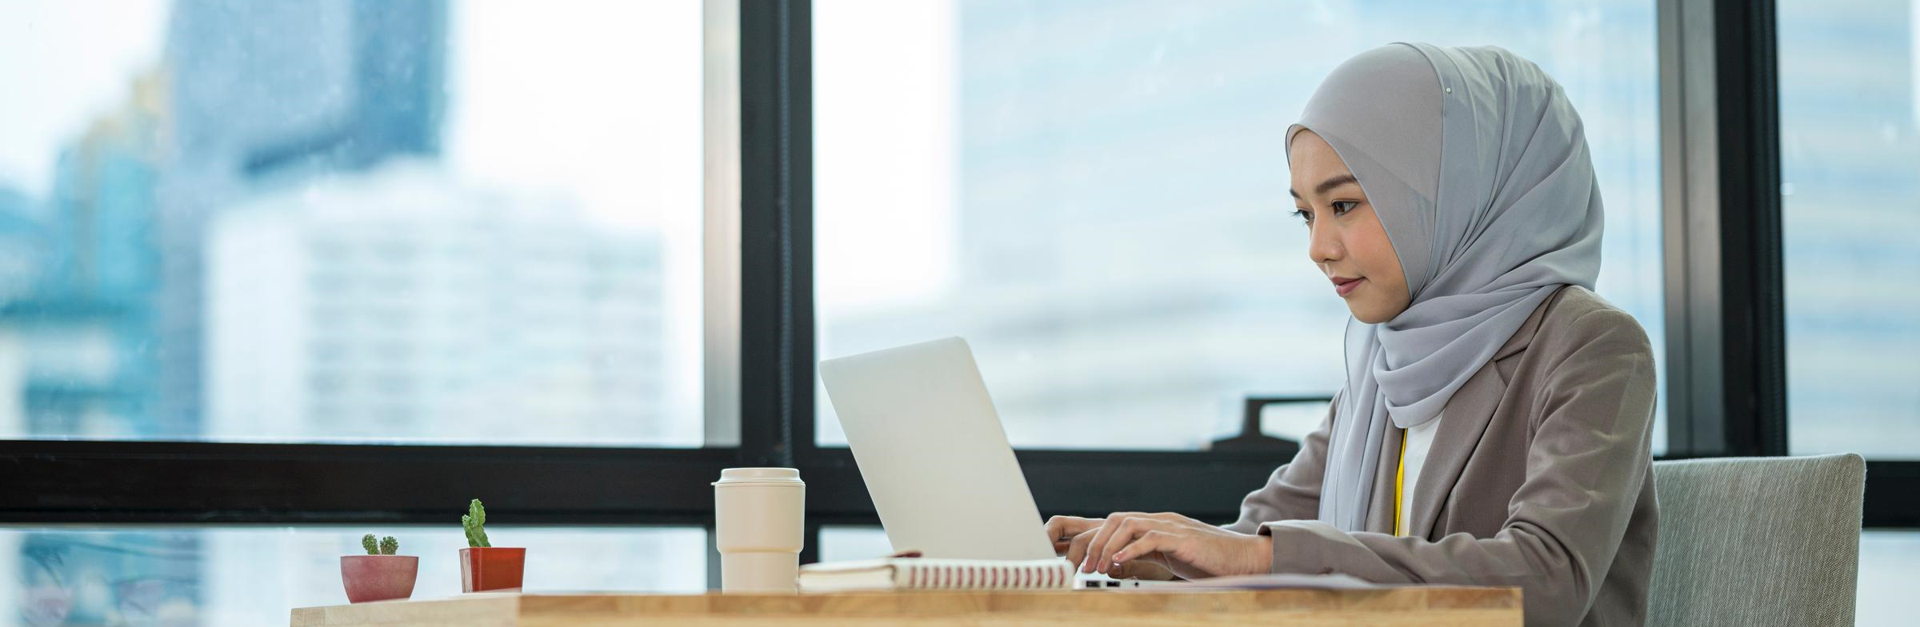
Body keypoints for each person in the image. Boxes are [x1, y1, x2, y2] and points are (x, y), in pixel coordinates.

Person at [1044, 43, 1658, 627]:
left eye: (1344, 205)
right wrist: (1149, 556)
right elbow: (1265, 531)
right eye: (1305, 214)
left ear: (1450, 194)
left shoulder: (1592, 345)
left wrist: (1258, 555)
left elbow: (1547, 580)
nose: (1318, 247)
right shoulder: (1385, 357)